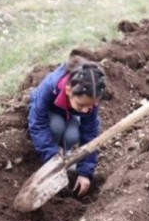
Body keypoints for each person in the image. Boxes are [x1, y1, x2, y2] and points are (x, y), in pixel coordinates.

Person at [28, 58, 105, 196]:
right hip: (49, 114)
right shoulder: (51, 86)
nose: (86, 110)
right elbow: (37, 122)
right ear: (68, 90)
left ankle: (65, 155)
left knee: (72, 135)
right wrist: (52, 161)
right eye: (81, 105)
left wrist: (85, 172)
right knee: (56, 126)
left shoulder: (90, 98)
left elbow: (90, 135)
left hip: (68, 113)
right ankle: (52, 156)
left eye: (90, 106)